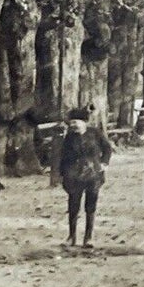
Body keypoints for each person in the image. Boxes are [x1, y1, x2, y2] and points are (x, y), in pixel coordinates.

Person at [59, 106, 112, 248]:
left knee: (91, 205)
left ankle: (88, 238)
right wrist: (62, 174)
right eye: (71, 123)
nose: (73, 125)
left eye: (76, 122)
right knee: (73, 205)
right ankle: (71, 237)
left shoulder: (95, 133)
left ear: (84, 122)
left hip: (93, 175)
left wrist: (104, 163)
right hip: (74, 176)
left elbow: (107, 148)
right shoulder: (69, 137)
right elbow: (63, 156)